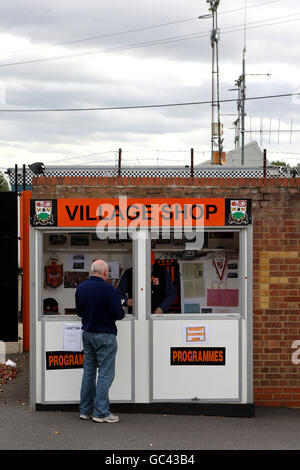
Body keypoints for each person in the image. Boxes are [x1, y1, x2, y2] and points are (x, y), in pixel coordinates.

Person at [75, 259, 125, 423]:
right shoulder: (109, 289)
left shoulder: (81, 288)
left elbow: (79, 312)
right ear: (105, 273)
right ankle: (101, 412)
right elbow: (119, 314)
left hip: (88, 334)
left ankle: (85, 410)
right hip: (105, 335)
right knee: (105, 374)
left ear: (91, 271)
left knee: (88, 372)